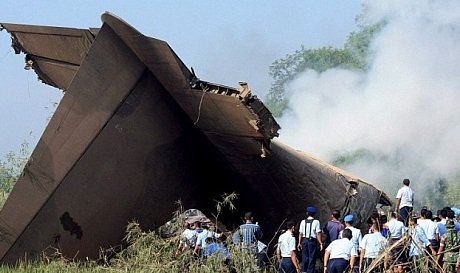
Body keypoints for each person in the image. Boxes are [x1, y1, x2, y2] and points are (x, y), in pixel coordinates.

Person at [298, 206, 323, 273]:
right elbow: (318, 233)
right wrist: (320, 243)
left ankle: (304, 271)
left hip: (304, 240)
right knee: (311, 258)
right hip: (312, 241)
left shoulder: (303, 222)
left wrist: (299, 242)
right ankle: (310, 271)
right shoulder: (316, 222)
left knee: (305, 257)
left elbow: (300, 233)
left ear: (307, 213)